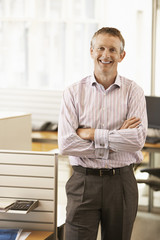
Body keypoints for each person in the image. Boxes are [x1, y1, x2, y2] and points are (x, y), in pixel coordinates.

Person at [58, 27, 148, 240]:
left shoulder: (134, 92)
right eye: (100, 48)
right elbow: (66, 144)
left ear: (121, 55)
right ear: (91, 51)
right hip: (83, 182)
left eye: (112, 50)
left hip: (122, 182)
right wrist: (117, 136)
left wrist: (90, 134)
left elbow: (136, 140)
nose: (105, 55)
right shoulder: (73, 92)